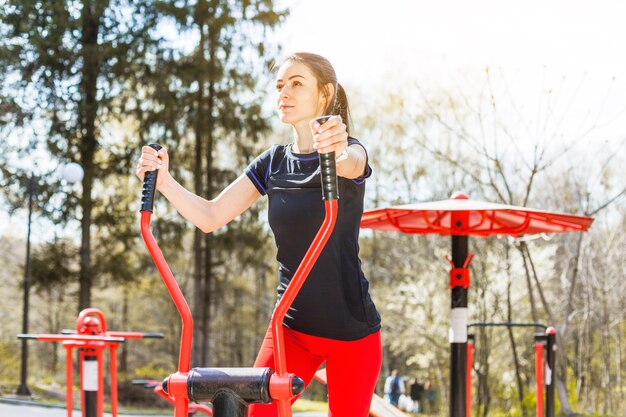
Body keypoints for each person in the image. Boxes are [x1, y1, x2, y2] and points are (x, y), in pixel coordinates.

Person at [136, 52, 382, 417]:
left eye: (297, 83)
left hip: (352, 333)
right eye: (280, 85)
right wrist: (164, 181)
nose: (284, 92)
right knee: (258, 413)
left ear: (325, 93)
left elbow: (354, 162)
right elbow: (210, 215)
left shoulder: (347, 152)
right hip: (292, 329)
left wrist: (337, 148)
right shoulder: (273, 163)